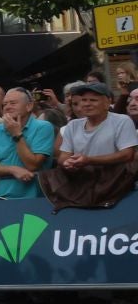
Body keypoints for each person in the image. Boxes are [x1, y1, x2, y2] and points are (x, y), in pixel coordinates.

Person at [40, 80, 138, 209]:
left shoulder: (122, 121)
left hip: (115, 184)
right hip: (82, 183)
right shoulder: (72, 125)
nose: (87, 104)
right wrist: (68, 163)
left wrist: (89, 160)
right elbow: (63, 156)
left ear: (107, 102)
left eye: (93, 100)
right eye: (84, 100)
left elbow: (127, 155)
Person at [0, 88, 55, 200]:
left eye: (13, 103)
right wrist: (12, 169)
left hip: (36, 199)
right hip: (2, 198)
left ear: (29, 106)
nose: (8, 107)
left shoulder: (43, 127)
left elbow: (33, 165)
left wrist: (17, 135)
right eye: (5, 104)